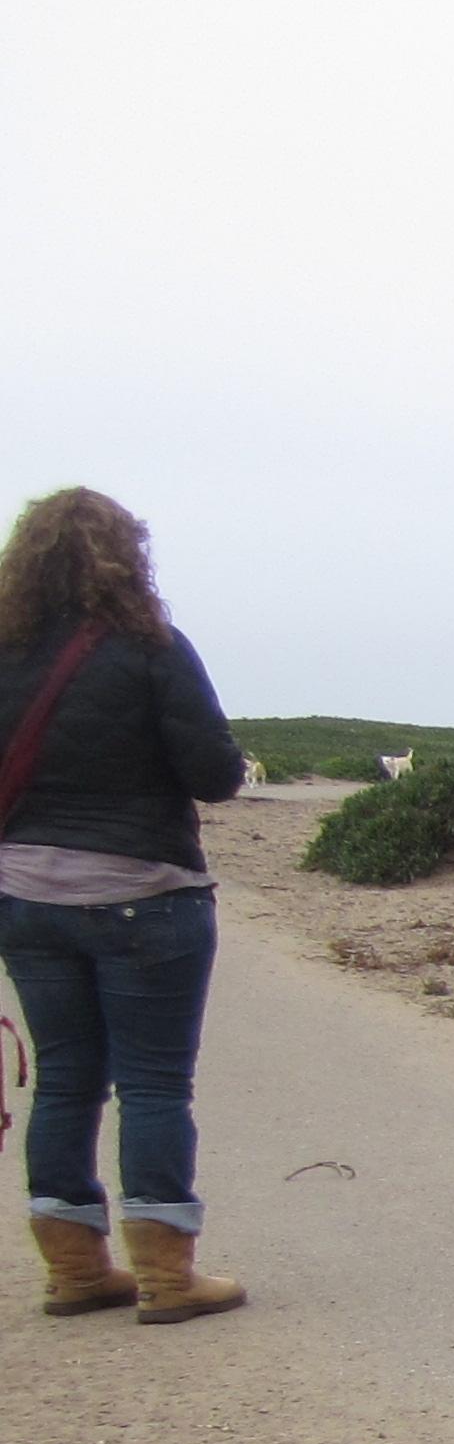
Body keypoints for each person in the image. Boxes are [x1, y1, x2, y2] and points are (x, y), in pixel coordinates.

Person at [0, 487, 248, 1323]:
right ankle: (167, 1277)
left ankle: (75, 1270)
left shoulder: (4, 652)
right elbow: (215, 776)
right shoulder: (152, 647)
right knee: (154, 1085)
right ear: (125, 558)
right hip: (144, 892)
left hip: (24, 894)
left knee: (65, 1079)